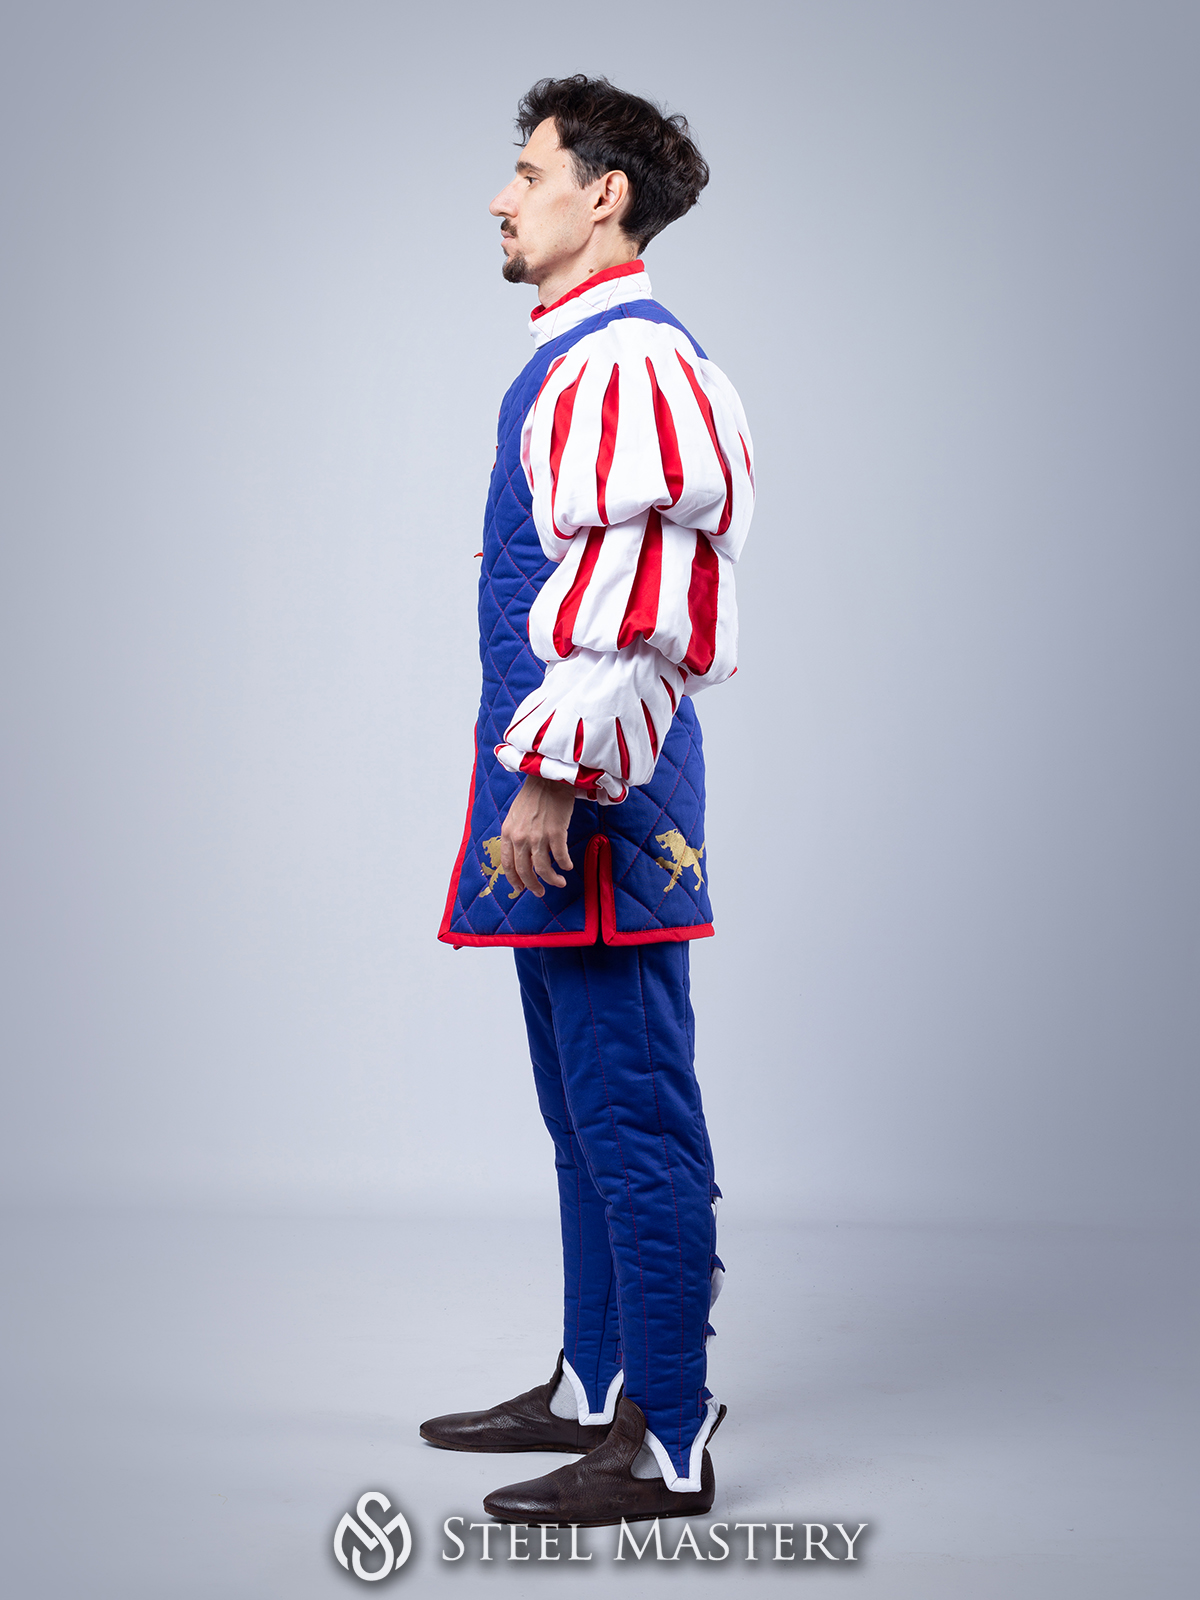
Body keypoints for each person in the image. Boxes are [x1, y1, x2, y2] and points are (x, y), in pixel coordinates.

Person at [425, 75, 754, 1528]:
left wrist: (556, 779)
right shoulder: (577, 357)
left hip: (595, 799)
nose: (503, 199)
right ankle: (589, 1383)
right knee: (579, 1113)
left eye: (529, 171)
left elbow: (647, 596)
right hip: (556, 788)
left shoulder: (629, 360)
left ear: (601, 194)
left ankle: (667, 1438)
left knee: (632, 1114)